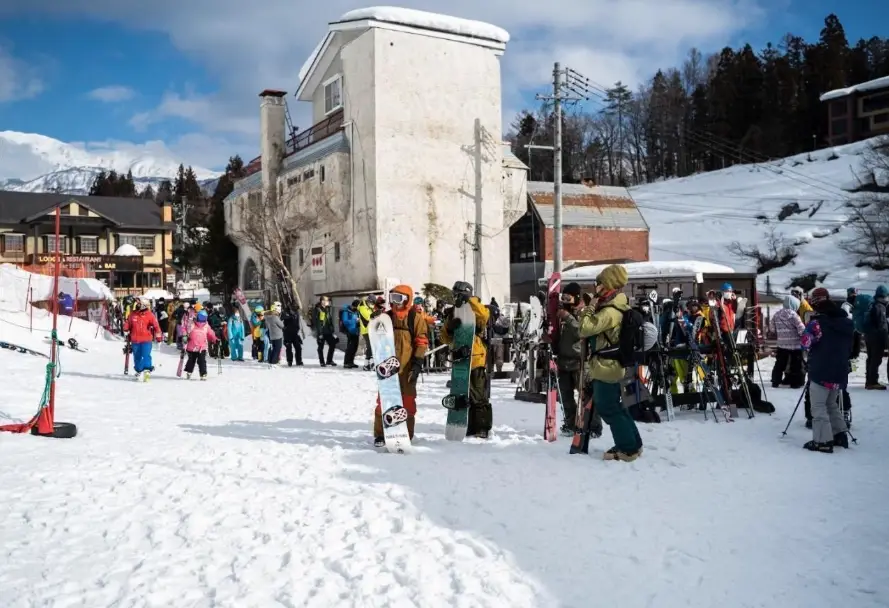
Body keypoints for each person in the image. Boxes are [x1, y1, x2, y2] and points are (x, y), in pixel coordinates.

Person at [578, 264, 643, 462]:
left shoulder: (611, 311)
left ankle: (627, 449)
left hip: (607, 367)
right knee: (616, 406)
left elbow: (585, 328)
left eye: (598, 283)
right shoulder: (615, 306)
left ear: (607, 286)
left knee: (608, 407)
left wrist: (589, 307)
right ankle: (633, 443)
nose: (595, 287)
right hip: (610, 365)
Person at [372, 284, 429, 447]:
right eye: (392, 299)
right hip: (389, 368)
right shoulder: (387, 317)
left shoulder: (415, 318)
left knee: (408, 401)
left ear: (407, 300)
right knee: (384, 400)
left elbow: (421, 342)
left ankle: (406, 433)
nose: (395, 303)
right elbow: (377, 337)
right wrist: (375, 321)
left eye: (399, 299)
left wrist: (418, 363)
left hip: (408, 367)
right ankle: (381, 434)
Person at [800, 288, 853, 452]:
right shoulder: (847, 322)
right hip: (840, 370)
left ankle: (822, 441)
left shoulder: (817, 323)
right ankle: (839, 435)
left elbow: (804, 343)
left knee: (818, 406)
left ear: (815, 303)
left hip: (821, 370)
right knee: (831, 403)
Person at [440, 281, 491, 439]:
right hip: (459, 358)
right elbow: (444, 338)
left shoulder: (477, 310)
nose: (456, 297)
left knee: (478, 395)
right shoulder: (452, 312)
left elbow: (484, 315)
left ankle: (482, 427)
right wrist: (449, 327)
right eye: (454, 294)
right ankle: (467, 424)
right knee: (461, 392)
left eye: (458, 294)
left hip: (476, 358)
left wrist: (469, 300)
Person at [556, 281, 602, 437]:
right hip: (563, 361)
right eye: (564, 297)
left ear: (576, 297)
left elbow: (581, 331)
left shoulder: (584, 312)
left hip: (580, 361)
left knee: (587, 396)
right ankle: (570, 424)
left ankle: (593, 426)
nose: (565, 301)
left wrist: (568, 318)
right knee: (566, 397)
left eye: (568, 297)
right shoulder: (561, 313)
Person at [770, 295, 806, 388]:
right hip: (795, 345)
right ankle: (796, 383)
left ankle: (775, 381)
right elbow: (802, 330)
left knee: (779, 364)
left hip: (781, 345)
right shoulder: (794, 315)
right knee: (796, 365)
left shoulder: (777, 314)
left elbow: (772, 328)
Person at [123, 296, 162, 381]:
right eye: (137, 303)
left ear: (144, 305)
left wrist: (158, 337)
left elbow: (156, 326)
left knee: (146, 355)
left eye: (139, 303)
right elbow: (128, 323)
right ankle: (139, 370)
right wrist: (125, 329)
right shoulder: (133, 314)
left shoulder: (150, 315)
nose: (137, 305)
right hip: (135, 340)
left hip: (146, 340)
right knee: (137, 356)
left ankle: (147, 370)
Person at [863, 285, 888, 390]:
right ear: (883, 296)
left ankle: (869, 380)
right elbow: (882, 325)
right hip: (876, 337)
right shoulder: (880, 307)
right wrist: (886, 340)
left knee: (870, 358)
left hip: (868, 335)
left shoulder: (872, 304)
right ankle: (872, 382)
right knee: (876, 360)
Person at [183, 309, 219, 380]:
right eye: (201, 317)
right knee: (191, 360)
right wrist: (185, 336)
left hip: (202, 347)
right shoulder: (192, 324)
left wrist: (215, 339)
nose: (202, 319)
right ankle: (189, 371)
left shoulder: (206, 326)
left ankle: (203, 374)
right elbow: (185, 329)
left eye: (204, 318)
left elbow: (211, 333)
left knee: (202, 361)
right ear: (197, 317)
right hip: (191, 347)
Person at [313, 295, 338, 366]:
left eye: (327, 300)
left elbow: (329, 321)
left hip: (328, 332)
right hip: (321, 332)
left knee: (332, 344)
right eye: (326, 300)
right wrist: (320, 333)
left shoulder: (327, 309)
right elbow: (317, 322)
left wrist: (332, 330)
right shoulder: (317, 309)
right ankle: (322, 362)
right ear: (322, 301)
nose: (327, 302)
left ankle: (329, 360)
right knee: (321, 347)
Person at [340, 299, 361, 368]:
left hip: (356, 331)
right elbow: (345, 321)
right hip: (349, 331)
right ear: (354, 306)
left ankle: (351, 362)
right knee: (350, 348)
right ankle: (346, 363)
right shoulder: (346, 311)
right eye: (358, 306)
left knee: (355, 348)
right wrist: (355, 320)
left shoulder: (356, 312)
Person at [357, 296, 374, 370]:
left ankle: (367, 364)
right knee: (370, 346)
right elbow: (368, 317)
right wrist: (375, 314)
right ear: (368, 300)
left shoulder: (368, 306)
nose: (372, 304)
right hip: (365, 330)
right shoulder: (362, 306)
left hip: (370, 330)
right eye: (371, 302)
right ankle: (370, 364)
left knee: (371, 346)